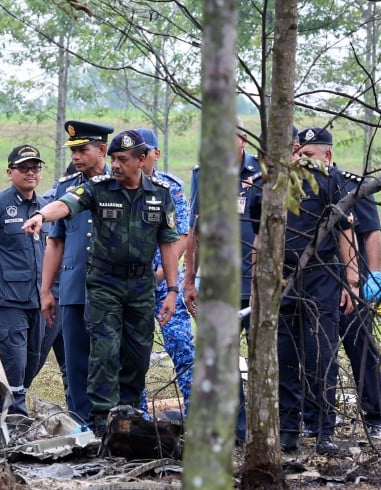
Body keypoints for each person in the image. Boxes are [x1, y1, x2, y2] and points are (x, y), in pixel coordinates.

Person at [23, 130, 180, 436]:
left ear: (142, 160)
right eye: (114, 160)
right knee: (104, 353)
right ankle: (101, 426)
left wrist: (172, 289)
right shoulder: (99, 189)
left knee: (137, 355)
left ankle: (130, 419)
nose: (117, 166)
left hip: (141, 287)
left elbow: (168, 243)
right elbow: (67, 203)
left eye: (123, 160)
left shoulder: (159, 194)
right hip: (104, 284)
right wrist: (42, 214)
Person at [251, 127, 357, 455]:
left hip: (321, 279)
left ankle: (325, 431)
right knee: (284, 358)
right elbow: (259, 240)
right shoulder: (262, 186)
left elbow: (345, 230)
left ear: (295, 147)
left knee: (320, 355)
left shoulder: (323, 180)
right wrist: (257, 285)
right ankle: (288, 431)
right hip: (280, 283)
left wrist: (351, 280)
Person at [294, 128, 381, 442]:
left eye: (310, 155)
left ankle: (375, 417)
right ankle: (313, 418)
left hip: (351, 284)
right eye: (300, 154)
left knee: (361, 350)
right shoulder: (298, 187)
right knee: (316, 352)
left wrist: (371, 276)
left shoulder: (349, 185)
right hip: (317, 284)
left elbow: (371, 232)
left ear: (327, 155)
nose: (303, 161)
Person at [185, 121, 262, 444]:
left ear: (243, 139)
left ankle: (267, 429)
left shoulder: (262, 173)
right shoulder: (204, 173)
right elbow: (195, 230)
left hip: (257, 283)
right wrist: (189, 279)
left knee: (262, 360)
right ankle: (235, 431)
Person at [40, 120, 113, 425]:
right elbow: (55, 240)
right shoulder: (65, 188)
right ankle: (82, 425)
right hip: (73, 288)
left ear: (102, 149)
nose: (77, 157)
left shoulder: (120, 185)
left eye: (83, 150)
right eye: (73, 151)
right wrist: (46, 290)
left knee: (110, 359)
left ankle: (110, 423)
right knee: (76, 362)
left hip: (111, 289)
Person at [0, 144, 47, 415]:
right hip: (7, 299)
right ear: (9, 171)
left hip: (38, 298)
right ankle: (13, 416)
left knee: (32, 359)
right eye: (23, 168)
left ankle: (2, 407)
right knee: (12, 359)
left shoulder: (44, 208)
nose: (30, 173)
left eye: (35, 167)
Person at [135, 128, 195, 414]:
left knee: (182, 347)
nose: (140, 158)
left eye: (144, 152)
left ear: (155, 155)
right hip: (130, 286)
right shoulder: (117, 186)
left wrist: (160, 275)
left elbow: (182, 235)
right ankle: (138, 416)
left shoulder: (170, 187)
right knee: (134, 354)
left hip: (164, 284)